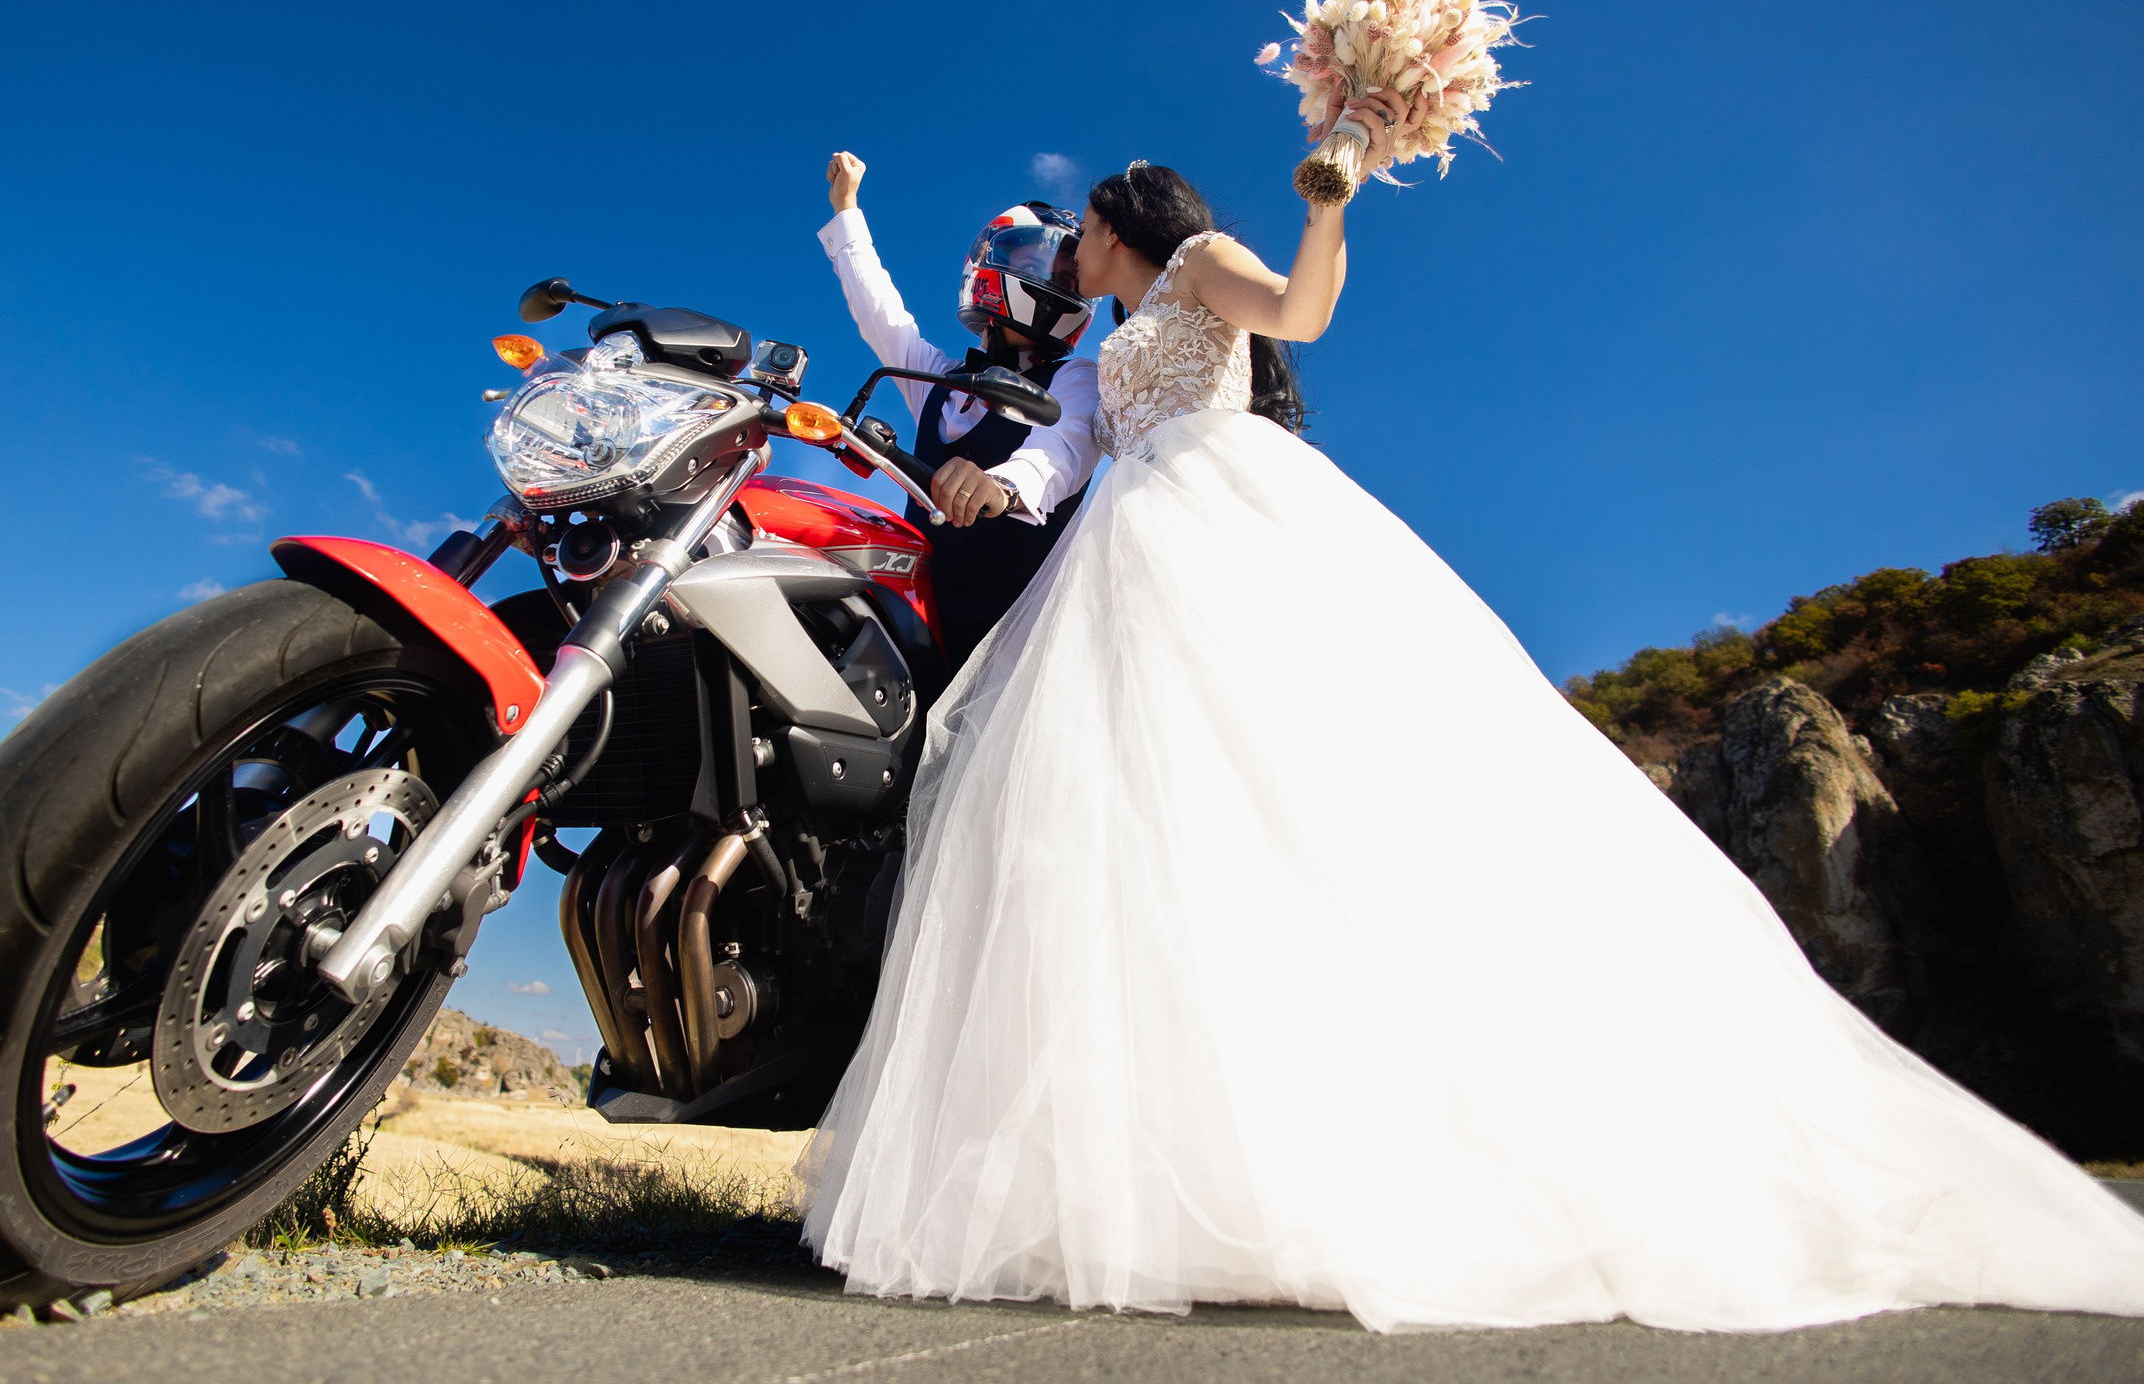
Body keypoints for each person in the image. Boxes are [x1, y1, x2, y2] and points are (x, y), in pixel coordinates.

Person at [798, 160, 2144, 1331]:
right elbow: (1065, 449)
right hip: (1116, 562)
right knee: (1148, 848)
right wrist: (994, 479)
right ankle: (1177, 1176)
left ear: (1118, 222)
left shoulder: (1201, 264)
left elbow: (1303, 313)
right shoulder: (1102, 340)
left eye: (1079, 232)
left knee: (1310, 807)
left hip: (1220, 534)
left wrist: (1330, 193)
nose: (1062, 256)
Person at [819, 151, 1102, 661]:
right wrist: (847, 209)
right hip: (916, 622)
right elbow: (880, 312)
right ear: (992, 263)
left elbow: (1063, 445)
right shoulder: (938, 379)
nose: (1055, 280)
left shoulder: (1076, 377)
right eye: (1036, 260)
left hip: (1014, 641)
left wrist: (1005, 485)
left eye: (1068, 274)